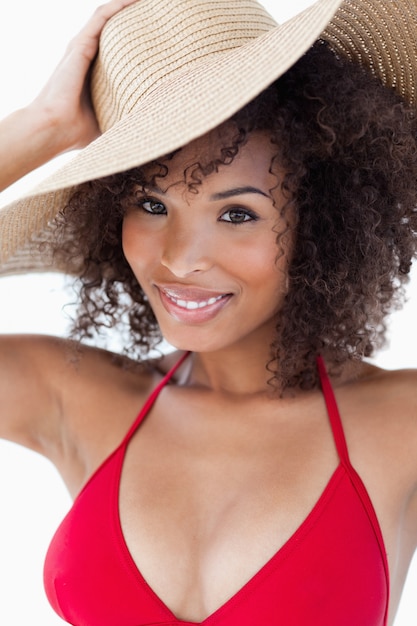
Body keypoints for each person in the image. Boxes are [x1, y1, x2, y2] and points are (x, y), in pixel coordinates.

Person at [1, 0, 417, 624]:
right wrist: (42, 128)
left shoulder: (402, 425)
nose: (179, 259)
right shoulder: (74, 395)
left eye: (237, 214)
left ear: (323, 222)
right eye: (150, 204)